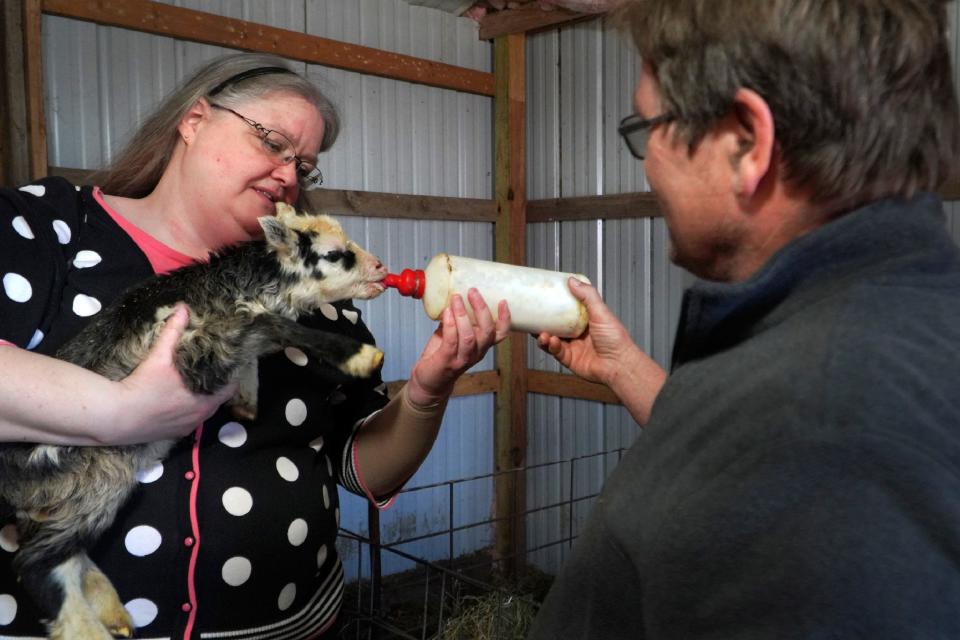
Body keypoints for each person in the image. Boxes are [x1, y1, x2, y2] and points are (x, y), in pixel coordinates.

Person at [0, 52, 509, 639]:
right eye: (273, 143)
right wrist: (121, 412)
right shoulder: (48, 231)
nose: (291, 175)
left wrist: (427, 392)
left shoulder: (315, 295)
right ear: (194, 121)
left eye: (306, 166)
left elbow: (359, 465)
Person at [529, 0, 960, 637]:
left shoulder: (817, 422)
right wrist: (624, 368)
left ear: (746, 142)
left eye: (649, 129)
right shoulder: (897, 323)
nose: (648, 163)